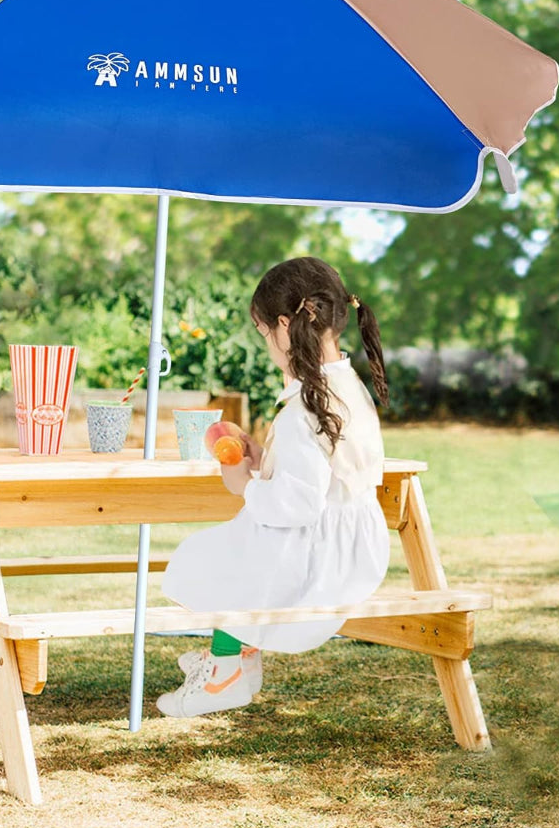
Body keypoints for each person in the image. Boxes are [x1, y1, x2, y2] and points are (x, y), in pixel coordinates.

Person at [156, 256, 392, 718]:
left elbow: (299, 504)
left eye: (264, 333)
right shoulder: (345, 387)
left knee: (214, 557)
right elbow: (323, 478)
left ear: (284, 325)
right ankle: (237, 659)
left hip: (322, 561)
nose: (267, 343)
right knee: (237, 551)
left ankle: (225, 672)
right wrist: (266, 461)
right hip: (354, 547)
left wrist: (244, 482)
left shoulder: (307, 405)